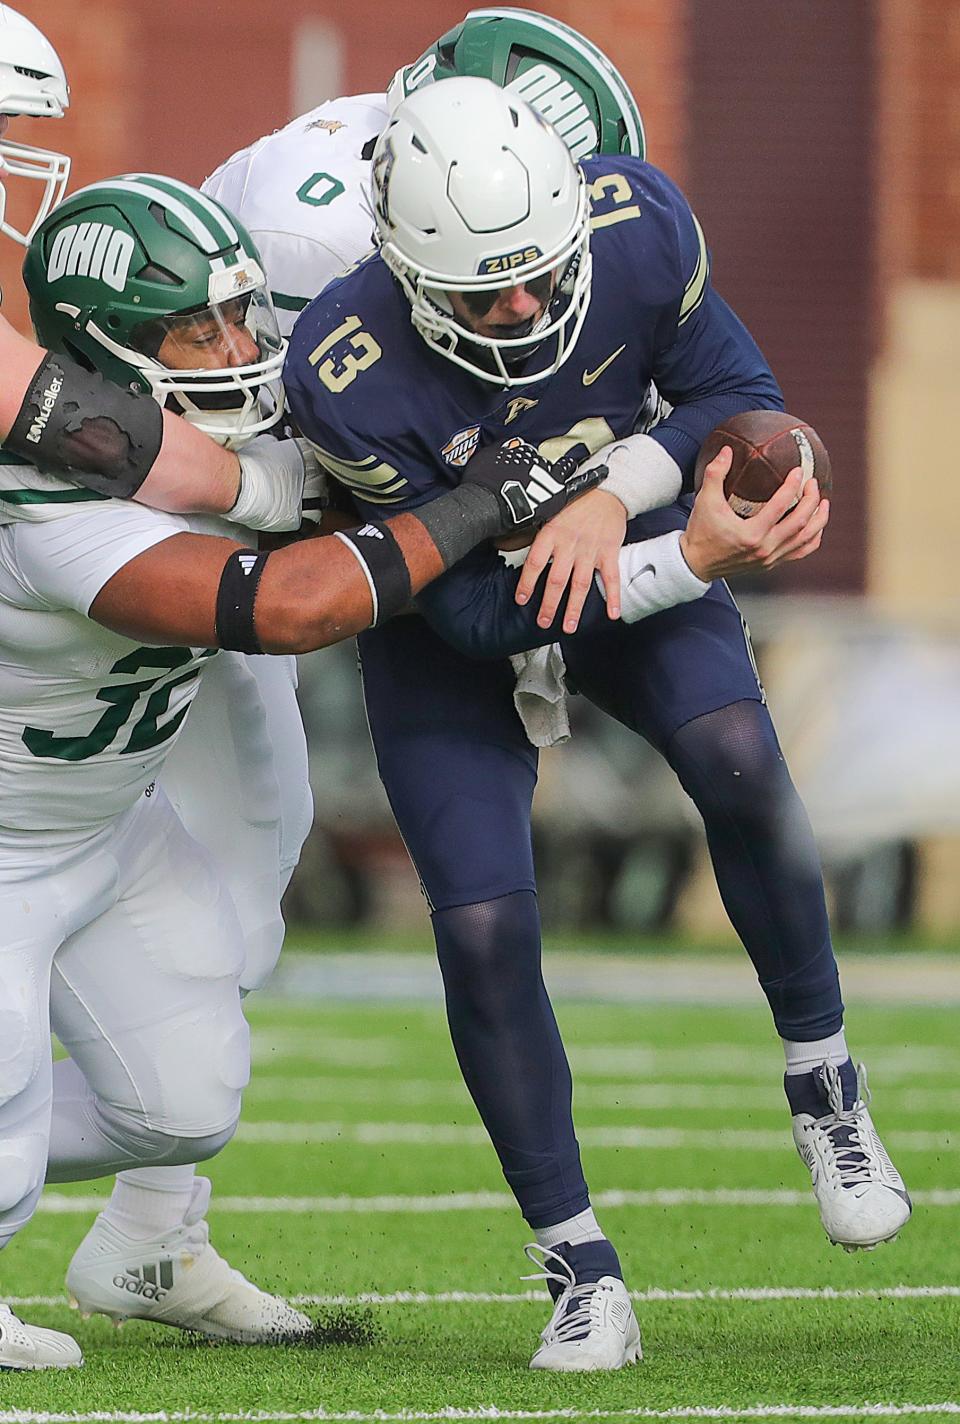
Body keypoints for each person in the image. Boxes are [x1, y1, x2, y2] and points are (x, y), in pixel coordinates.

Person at [282, 77, 911, 1372]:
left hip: (624, 541)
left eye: (537, 278)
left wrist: (608, 492)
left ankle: (824, 1078)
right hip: (446, 624)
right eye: (482, 295)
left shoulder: (635, 223)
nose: (520, 311)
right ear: (405, 274)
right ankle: (578, 1264)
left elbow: (733, 388)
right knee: (483, 920)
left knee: (738, 755)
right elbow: (464, 617)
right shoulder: (342, 367)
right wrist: (683, 550)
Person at [0, 171, 604, 1372]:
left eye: (237, 314)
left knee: (181, 1102)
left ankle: (128, 1230)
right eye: (195, 331)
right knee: (7, 1142)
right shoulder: (52, 505)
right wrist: (483, 501)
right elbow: (290, 607)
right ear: (103, 353)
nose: (234, 348)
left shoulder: (205, 438)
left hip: (107, 828)